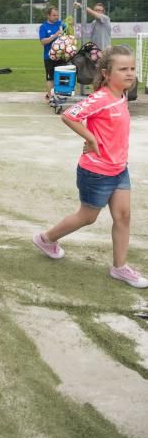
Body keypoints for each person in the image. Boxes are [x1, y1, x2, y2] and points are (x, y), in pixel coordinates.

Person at [32, 45, 148, 288]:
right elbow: (69, 115)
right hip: (96, 172)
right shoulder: (100, 98)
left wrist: (96, 137)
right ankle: (46, 239)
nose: (130, 73)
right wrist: (91, 139)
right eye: (123, 69)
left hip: (119, 168)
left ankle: (120, 267)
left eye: (132, 69)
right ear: (106, 73)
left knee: (123, 216)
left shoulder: (122, 94)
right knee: (87, 217)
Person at [39, 5, 64, 101]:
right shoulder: (43, 27)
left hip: (61, 56)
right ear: (48, 16)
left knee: (61, 77)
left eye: (57, 15)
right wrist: (55, 35)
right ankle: (51, 98)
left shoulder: (61, 24)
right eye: (54, 15)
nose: (56, 17)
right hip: (48, 57)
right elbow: (43, 42)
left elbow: (69, 31)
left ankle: (60, 96)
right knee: (50, 78)